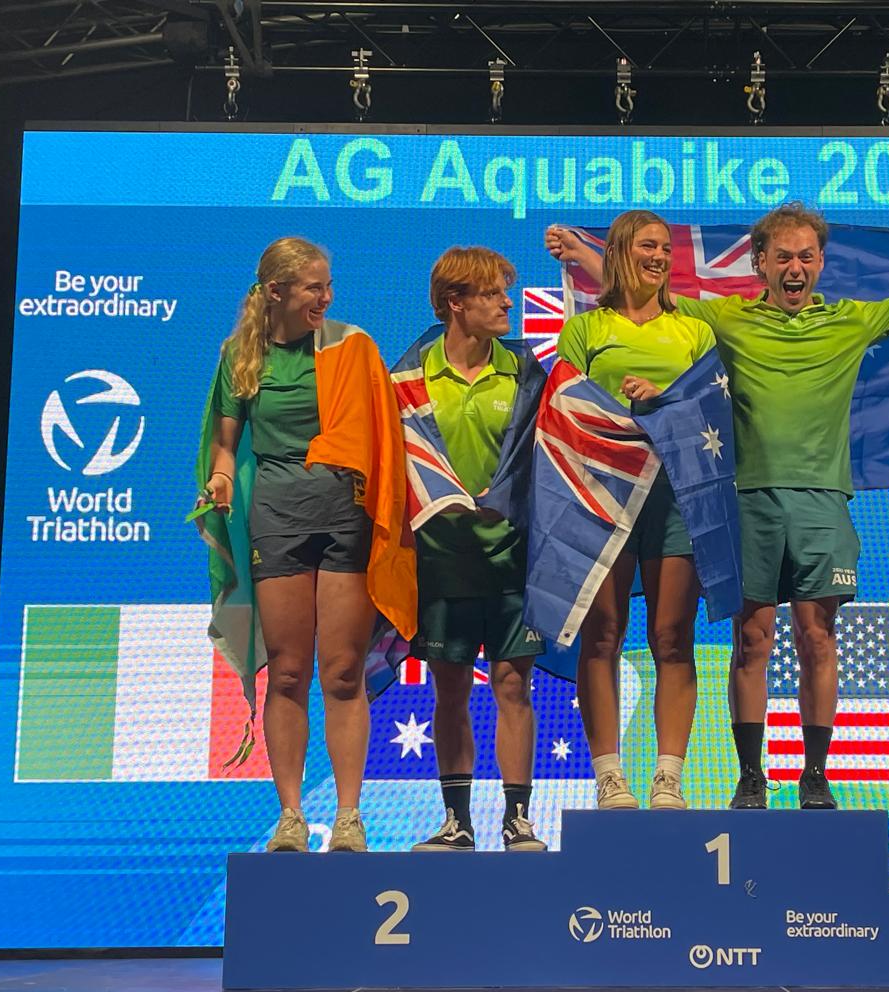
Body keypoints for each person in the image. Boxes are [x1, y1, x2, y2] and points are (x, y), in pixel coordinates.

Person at [549, 203, 889, 810]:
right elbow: (643, 290)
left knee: (818, 636)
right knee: (751, 639)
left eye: (806, 257)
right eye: (783, 256)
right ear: (760, 263)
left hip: (822, 501)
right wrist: (587, 255)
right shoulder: (724, 318)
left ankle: (814, 774)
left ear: (820, 263)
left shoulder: (848, 319)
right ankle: (749, 775)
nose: (795, 267)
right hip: (746, 500)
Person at [198, 236, 414, 854]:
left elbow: (382, 434)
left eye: (329, 285)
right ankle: (290, 816)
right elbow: (224, 446)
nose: (327, 297)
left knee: (342, 671)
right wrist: (220, 481)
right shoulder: (240, 355)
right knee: (288, 672)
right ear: (277, 292)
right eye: (315, 287)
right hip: (277, 518)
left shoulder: (351, 346)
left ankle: (349, 816)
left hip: (345, 516)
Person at [552, 210, 718, 813]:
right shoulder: (585, 329)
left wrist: (665, 400)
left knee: (672, 635)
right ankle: (609, 776)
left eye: (666, 248)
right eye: (648, 246)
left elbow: (714, 409)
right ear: (621, 252)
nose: (660, 257)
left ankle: (668, 777)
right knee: (602, 633)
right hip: (603, 494)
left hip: (677, 494)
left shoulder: (693, 331)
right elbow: (563, 409)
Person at [393, 247, 548, 852]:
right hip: (442, 558)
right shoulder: (409, 378)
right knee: (451, 689)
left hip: (513, 557)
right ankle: (457, 821)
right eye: (491, 293)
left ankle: (518, 819)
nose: (507, 301)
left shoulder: (525, 372)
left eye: (506, 290)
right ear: (455, 303)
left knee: (513, 687)